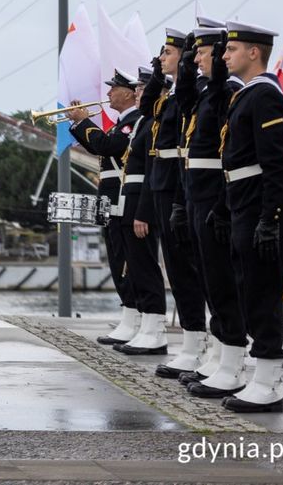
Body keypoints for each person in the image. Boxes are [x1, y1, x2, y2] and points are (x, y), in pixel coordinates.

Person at [211, 22, 283, 413]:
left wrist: (270, 217)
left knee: (262, 293)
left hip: (261, 201)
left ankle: (270, 382)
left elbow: (277, 163)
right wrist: (225, 207)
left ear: (254, 53)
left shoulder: (265, 95)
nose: (224, 56)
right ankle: (259, 377)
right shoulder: (245, 96)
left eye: (231, 50)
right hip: (242, 200)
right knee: (247, 288)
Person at [123, 29, 207, 364]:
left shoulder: (189, 93)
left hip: (175, 185)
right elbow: (145, 106)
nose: (161, 58)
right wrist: (158, 75)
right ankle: (193, 343)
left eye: (167, 54)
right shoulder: (167, 98)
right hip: (161, 185)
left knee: (188, 270)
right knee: (176, 268)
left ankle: (199, 343)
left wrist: (181, 70)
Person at [184, 26, 248, 396]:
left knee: (223, 280)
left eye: (204, 53)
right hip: (197, 193)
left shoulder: (229, 92)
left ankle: (233, 360)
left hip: (215, 195)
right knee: (209, 278)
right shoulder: (205, 94)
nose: (198, 60)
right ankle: (221, 355)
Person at [66, 70, 142, 345]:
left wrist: (84, 120)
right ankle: (128, 316)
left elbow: (107, 146)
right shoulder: (120, 123)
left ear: (129, 93)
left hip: (122, 199)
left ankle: (135, 318)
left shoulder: (132, 123)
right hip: (110, 199)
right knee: (115, 257)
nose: (108, 94)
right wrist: (79, 123)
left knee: (124, 261)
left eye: (114, 89)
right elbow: (100, 146)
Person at [113, 65, 170, 353]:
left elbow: (151, 171)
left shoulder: (153, 123)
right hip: (130, 198)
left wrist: (143, 213)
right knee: (135, 266)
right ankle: (146, 327)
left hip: (140, 203)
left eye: (142, 88)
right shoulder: (144, 123)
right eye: (136, 88)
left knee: (146, 267)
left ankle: (155, 329)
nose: (137, 92)